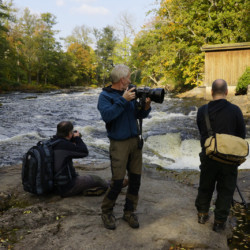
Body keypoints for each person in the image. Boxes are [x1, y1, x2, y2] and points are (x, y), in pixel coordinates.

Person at [97, 64, 151, 230]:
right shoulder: (105, 96)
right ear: (122, 80)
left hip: (135, 141)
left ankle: (129, 211)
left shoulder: (131, 91)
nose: (130, 80)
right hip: (119, 143)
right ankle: (106, 211)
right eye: (128, 77)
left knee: (135, 180)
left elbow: (138, 114)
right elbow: (107, 116)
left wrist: (146, 106)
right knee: (118, 181)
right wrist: (123, 100)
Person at [195, 79, 246, 232]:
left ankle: (202, 214)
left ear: (211, 92)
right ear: (226, 92)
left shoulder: (201, 110)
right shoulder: (236, 110)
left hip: (209, 156)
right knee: (226, 190)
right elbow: (241, 136)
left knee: (205, 186)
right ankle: (219, 222)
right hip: (229, 158)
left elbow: (202, 132)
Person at [51, 121, 109, 197]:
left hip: (51, 185)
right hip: (65, 188)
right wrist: (77, 138)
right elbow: (84, 152)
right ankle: (113, 185)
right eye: (72, 132)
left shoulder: (51, 143)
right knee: (96, 179)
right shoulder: (65, 145)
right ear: (69, 134)